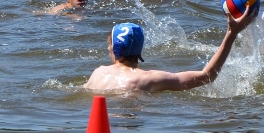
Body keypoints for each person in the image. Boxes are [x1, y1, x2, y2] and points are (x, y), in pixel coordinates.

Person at [86, 14, 252, 92]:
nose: (108, 49)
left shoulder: (98, 73)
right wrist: (231, 35)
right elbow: (207, 76)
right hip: (131, 121)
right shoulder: (147, 79)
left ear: (116, 48)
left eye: (109, 44)